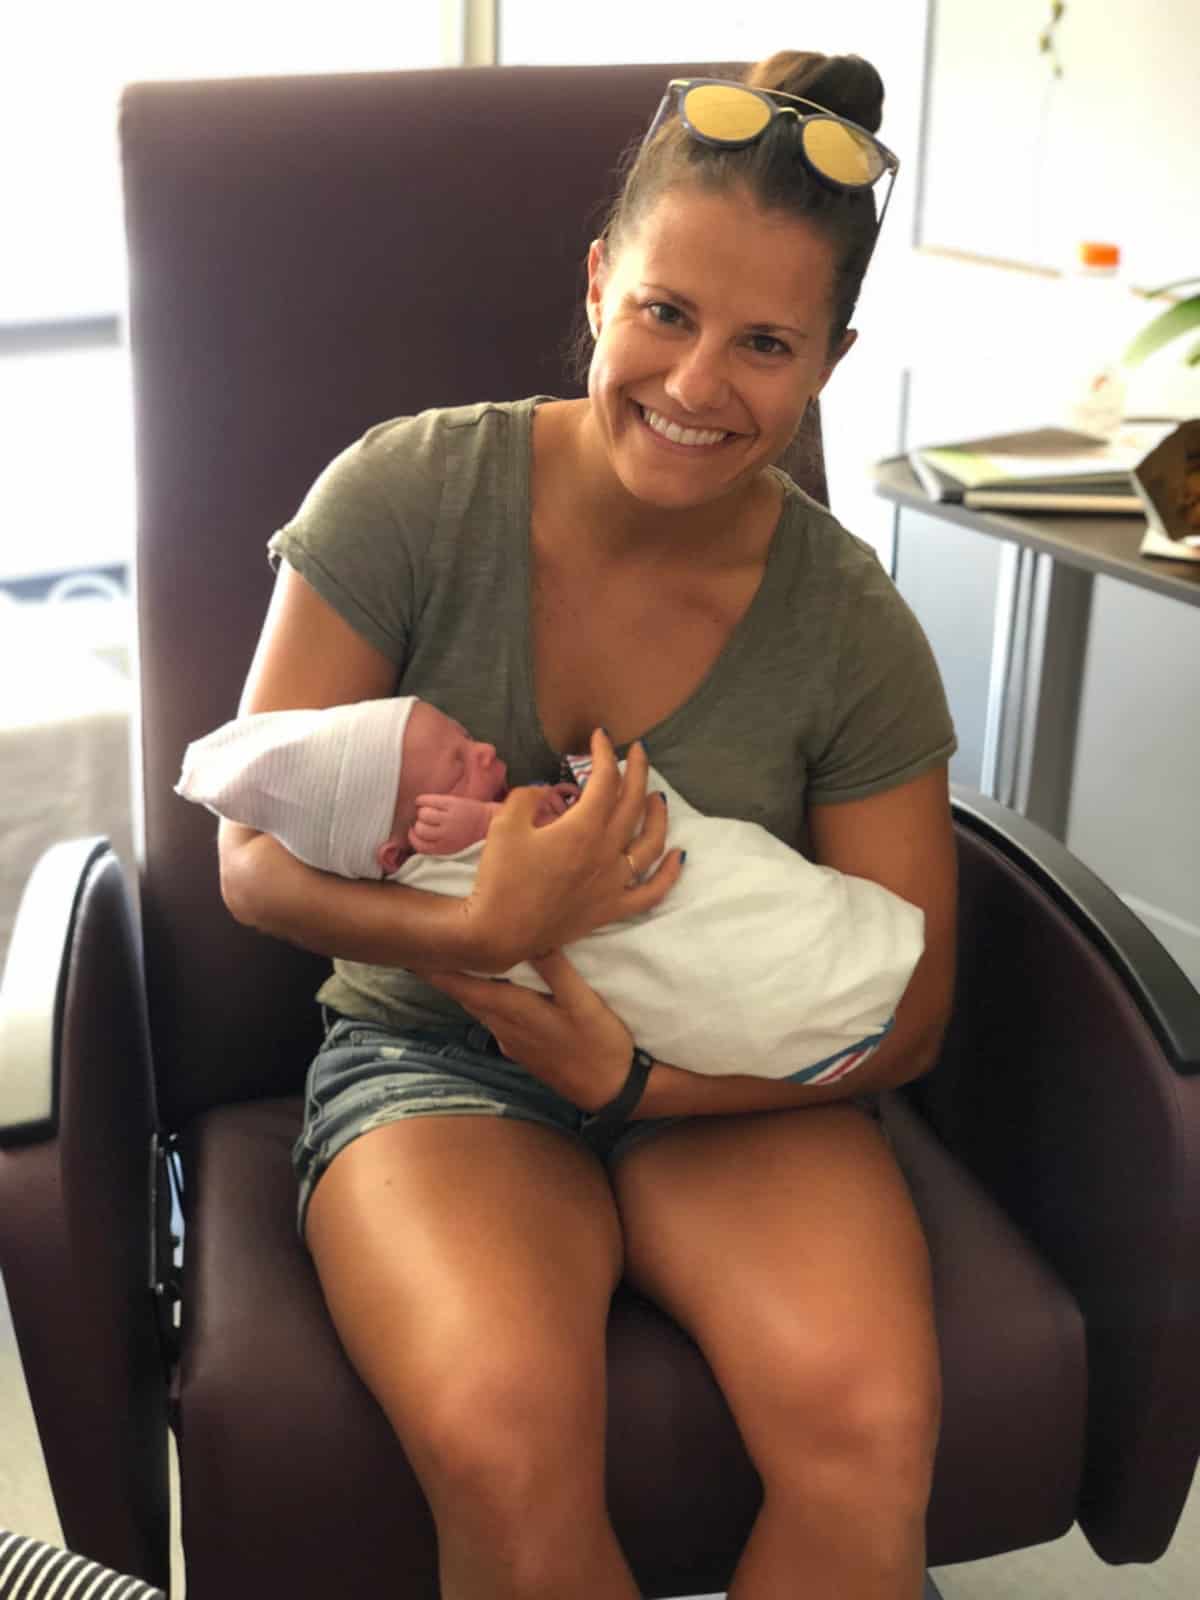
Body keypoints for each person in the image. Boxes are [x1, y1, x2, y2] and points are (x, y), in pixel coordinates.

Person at [217, 48, 957, 1600]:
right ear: (604, 278)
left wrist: (640, 1083)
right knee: (504, 1435)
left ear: (830, 358)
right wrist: (477, 931)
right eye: (667, 315)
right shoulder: (410, 498)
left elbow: (914, 1013)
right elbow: (252, 857)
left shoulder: (852, 625)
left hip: (730, 1082)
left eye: (766, 342)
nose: (698, 387)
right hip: (440, 1046)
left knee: (870, 1434)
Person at [178, 695, 924, 1087]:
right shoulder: (434, 869)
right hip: (459, 1062)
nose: (486, 751)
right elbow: (520, 873)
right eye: (455, 766)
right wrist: (499, 823)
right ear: (400, 849)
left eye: (467, 738)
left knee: (738, 887)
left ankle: (825, 966)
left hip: (661, 1065)